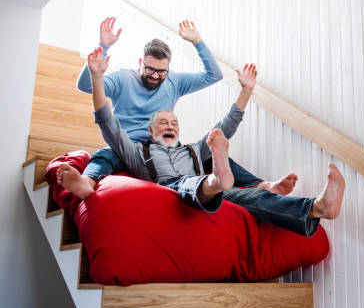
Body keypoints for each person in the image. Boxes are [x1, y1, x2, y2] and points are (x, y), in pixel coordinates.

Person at [58, 47, 345, 237]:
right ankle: (217, 179)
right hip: (175, 190)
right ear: (150, 130)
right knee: (190, 182)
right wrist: (97, 77)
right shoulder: (137, 153)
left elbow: (227, 125)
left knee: (252, 196)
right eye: (163, 123)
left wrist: (246, 92)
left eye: (174, 123)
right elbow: (108, 123)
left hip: (209, 190)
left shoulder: (192, 150)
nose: (170, 126)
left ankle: (320, 207)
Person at [72, 17, 297, 199]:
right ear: (140, 63)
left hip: (162, 145)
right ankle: (87, 181)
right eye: (150, 70)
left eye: (162, 71)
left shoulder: (174, 82)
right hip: (128, 144)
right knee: (106, 153)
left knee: (210, 154)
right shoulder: (124, 78)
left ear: (169, 69)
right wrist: (103, 47)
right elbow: (85, 85)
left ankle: (262, 185)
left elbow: (214, 75)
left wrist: (197, 42)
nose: (155, 76)